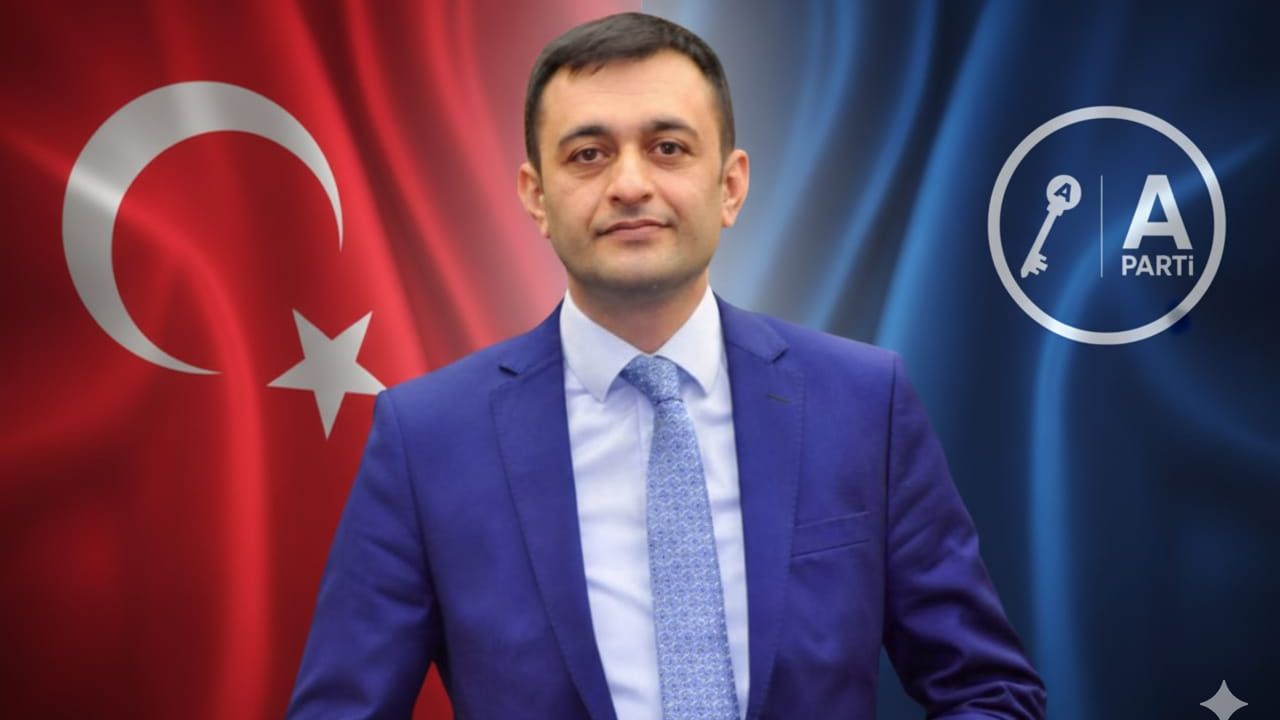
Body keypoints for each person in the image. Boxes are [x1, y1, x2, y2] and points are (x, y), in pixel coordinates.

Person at [288, 12, 1045, 720]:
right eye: (588, 154)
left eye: (668, 148)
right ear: (536, 196)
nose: (629, 185)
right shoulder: (426, 439)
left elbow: (989, 691)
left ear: (731, 186)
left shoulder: (861, 403)